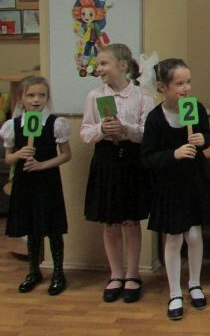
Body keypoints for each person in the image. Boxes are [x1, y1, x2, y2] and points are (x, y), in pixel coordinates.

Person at [141, 58, 210, 320]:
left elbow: (207, 136)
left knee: (194, 235)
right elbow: (147, 157)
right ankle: (175, 291)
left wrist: (203, 139)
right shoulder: (154, 118)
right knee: (173, 238)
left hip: (194, 181)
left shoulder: (195, 107)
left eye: (188, 82)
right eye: (179, 83)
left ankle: (195, 283)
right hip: (170, 186)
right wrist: (173, 154)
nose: (186, 88)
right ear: (162, 87)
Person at [81, 44, 154, 304]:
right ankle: (116, 274)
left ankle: (133, 274)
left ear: (122, 66)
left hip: (131, 161)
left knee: (130, 221)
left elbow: (147, 133)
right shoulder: (94, 96)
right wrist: (102, 129)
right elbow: (85, 132)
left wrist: (126, 130)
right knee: (110, 222)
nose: (98, 68)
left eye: (104, 63)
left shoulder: (142, 97)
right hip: (106, 160)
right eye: (98, 64)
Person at [1, 76, 71, 295]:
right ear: (21, 98)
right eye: (30, 95)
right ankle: (33, 271)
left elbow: (66, 155)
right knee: (31, 227)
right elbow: (8, 158)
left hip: (47, 181)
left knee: (53, 228)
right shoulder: (13, 126)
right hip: (25, 183)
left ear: (47, 98)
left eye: (41, 95)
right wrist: (19, 154)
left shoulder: (55, 124)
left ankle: (58, 272)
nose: (36, 100)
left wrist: (42, 165)